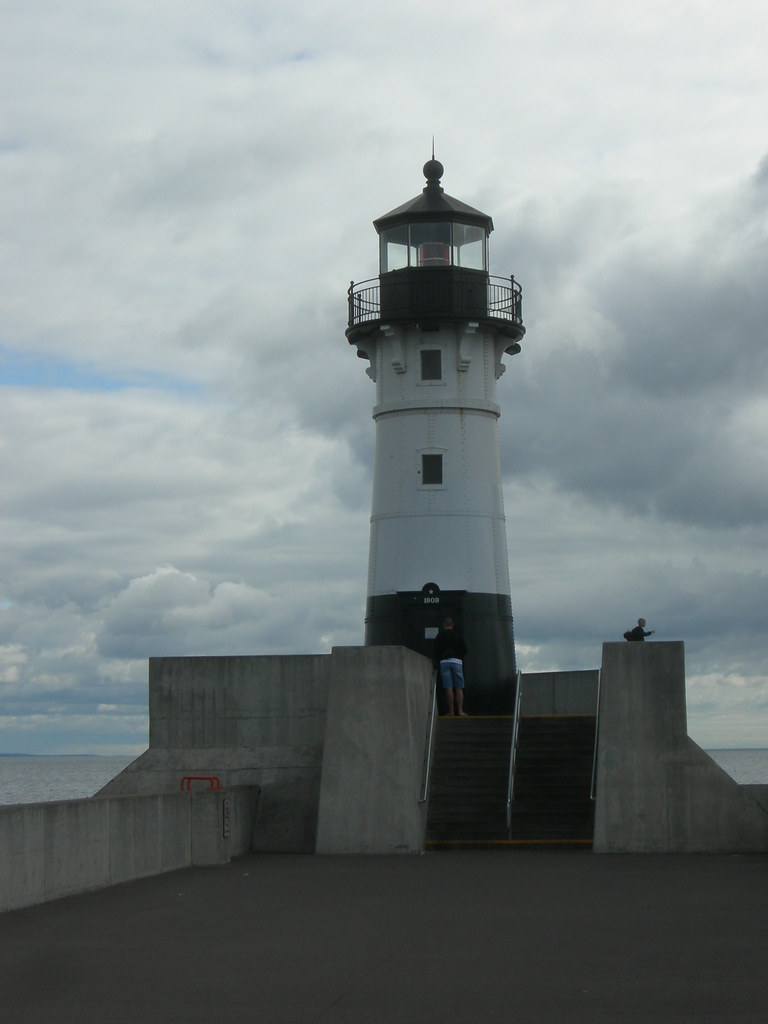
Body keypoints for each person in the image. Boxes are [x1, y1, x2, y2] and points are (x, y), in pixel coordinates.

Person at [433, 617, 468, 716]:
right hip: (457, 662)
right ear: (452, 625)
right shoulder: (458, 636)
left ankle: (451, 711)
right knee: (459, 687)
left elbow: (436, 650)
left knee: (448, 687)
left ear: (444, 625)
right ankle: (460, 711)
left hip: (444, 662)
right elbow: (464, 650)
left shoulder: (440, 636)